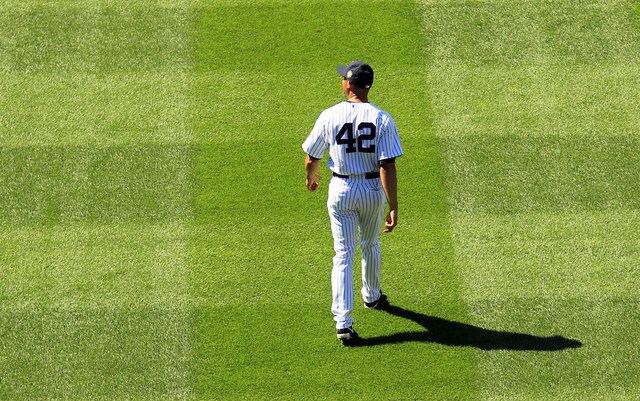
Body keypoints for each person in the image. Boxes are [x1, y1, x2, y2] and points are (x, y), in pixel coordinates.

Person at [302, 61, 403, 343]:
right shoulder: (382, 118)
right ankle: (372, 297)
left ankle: (343, 323)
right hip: (372, 190)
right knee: (370, 244)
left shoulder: (329, 115)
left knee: (343, 253)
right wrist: (393, 205)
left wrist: (311, 178)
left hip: (341, 188)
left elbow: (312, 157)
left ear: (348, 84)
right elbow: (387, 165)